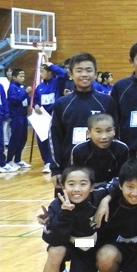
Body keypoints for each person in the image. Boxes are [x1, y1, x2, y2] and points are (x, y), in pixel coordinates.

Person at [38, 166, 106, 272]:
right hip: (68, 245)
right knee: (56, 250)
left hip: (87, 250)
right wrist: (64, 214)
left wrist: (106, 201)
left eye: (83, 184)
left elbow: (116, 185)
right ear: (63, 186)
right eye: (71, 184)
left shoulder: (98, 199)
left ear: (92, 187)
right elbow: (51, 239)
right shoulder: (56, 205)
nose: (76, 189)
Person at [49, 53, 117, 184]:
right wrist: (56, 168)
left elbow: (115, 133)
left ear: (95, 74)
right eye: (79, 70)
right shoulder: (62, 104)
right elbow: (54, 137)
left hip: (101, 167)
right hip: (70, 167)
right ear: (71, 74)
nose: (84, 74)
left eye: (89, 70)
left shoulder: (106, 101)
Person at [70, 113, 130, 184]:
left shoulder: (122, 149)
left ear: (114, 131)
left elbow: (122, 176)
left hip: (113, 187)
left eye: (108, 131)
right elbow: (75, 177)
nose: (104, 136)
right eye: (98, 132)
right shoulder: (79, 150)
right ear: (89, 133)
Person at [34, 61, 69, 173]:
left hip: (55, 114)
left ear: (50, 72)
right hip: (43, 116)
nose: (41, 74)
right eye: (40, 71)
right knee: (42, 139)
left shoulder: (57, 82)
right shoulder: (39, 87)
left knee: (55, 138)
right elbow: (35, 100)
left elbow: (64, 74)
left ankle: (58, 161)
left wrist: (52, 66)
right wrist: (36, 105)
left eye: (43, 71)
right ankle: (47, 162)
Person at [5, 68, 31, 170]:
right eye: (20, 76)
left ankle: (18, 159)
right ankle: (9, 160)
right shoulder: (12, 88)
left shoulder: (22, 87)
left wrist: (29, 97)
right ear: (14, 77)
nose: (22, 78)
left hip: (23, 116)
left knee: (23, 138)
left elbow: (26, 101)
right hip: (16, 116)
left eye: (23, 76)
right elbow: (14, 101)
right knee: (15, 138)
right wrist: (25, 93)